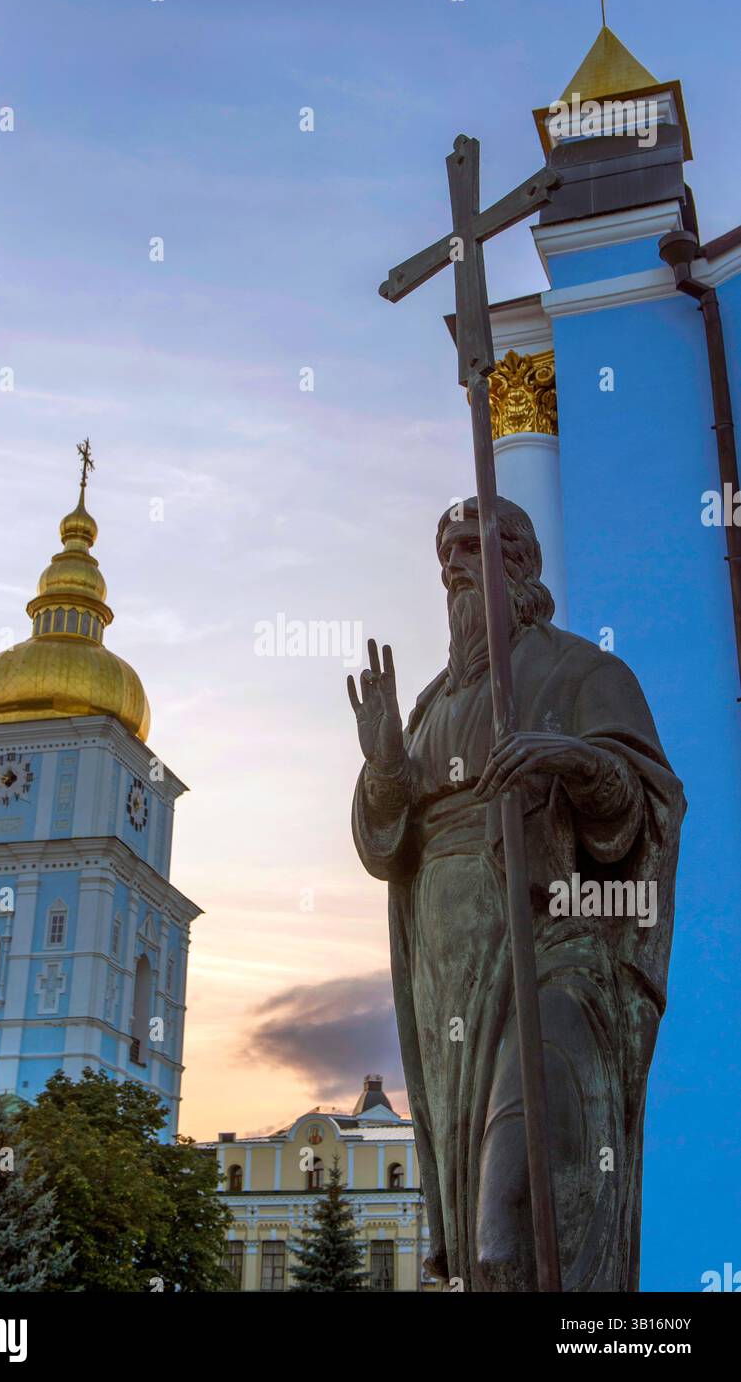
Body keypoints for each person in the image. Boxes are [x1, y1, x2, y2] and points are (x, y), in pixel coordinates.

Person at [347, 497, 685, 1292]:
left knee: (516, 1235)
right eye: (445, 557)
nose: (453, 567)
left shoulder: (583, 672)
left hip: (555, 952)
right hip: (449, 983)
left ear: (522, 565)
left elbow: (644, 808)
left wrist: (569, 760)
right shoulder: (429, 707)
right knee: (471, 1251)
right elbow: (386, 851)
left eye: (470, 548)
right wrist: (387, 767)